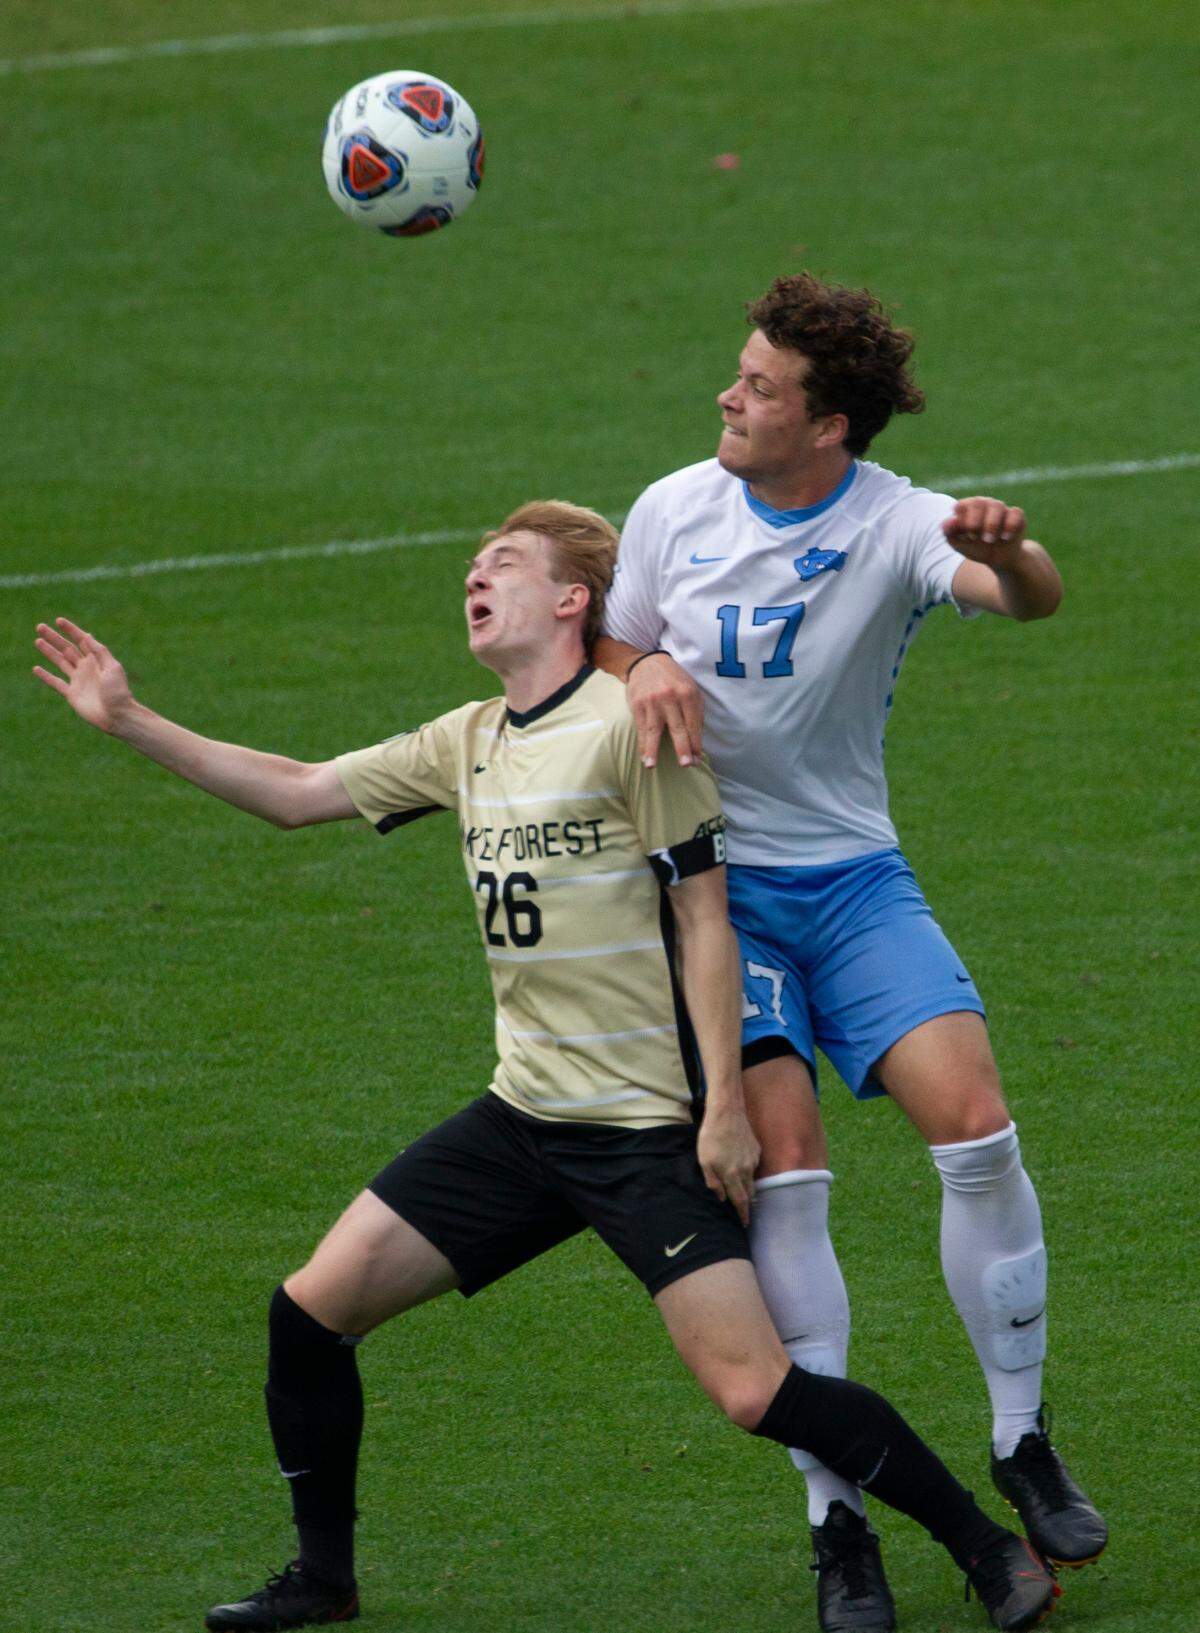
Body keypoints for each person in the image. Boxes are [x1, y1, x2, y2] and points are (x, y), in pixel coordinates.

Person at [33, 500, 1057, 1633]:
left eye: (504, 564)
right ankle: (325, 1577)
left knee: (755, 1390)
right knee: (309, 1313)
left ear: (574, 598)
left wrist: (724, 1108)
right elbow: (297, 791)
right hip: (523, 1121)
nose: (475, 577)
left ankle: (986, 1545)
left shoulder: (636, 723)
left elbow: (707, 917)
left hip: (642, 1137)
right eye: (471, 565)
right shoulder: (466, 738)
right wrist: (128, 720)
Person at [595, 273, 1107, 1633]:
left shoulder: (895, 522)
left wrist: (1012, 546)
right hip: (722, 900)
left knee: (978, 1121)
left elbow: (1030, 597)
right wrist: (631, 666)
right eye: (740, 374)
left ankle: (1020, 1437)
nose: (730, 396)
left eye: (759, 387)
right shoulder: (671, 509)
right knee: (788, 1173)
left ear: (826, 426)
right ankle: (840, 1524)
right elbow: (612, 642)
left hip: (855, 880)